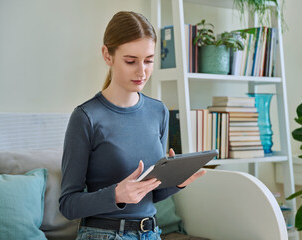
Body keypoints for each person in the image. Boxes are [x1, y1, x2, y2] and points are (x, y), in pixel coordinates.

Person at [59, 11, 206, 240]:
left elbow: (148, 194)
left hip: (151, 233)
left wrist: (178, 182)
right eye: (131, 61)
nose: (142, 71)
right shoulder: (86, 117)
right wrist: (115, 195)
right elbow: (68, 205)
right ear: (107, 55)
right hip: (103, 234)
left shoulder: (159, 112)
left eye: (149, 60)